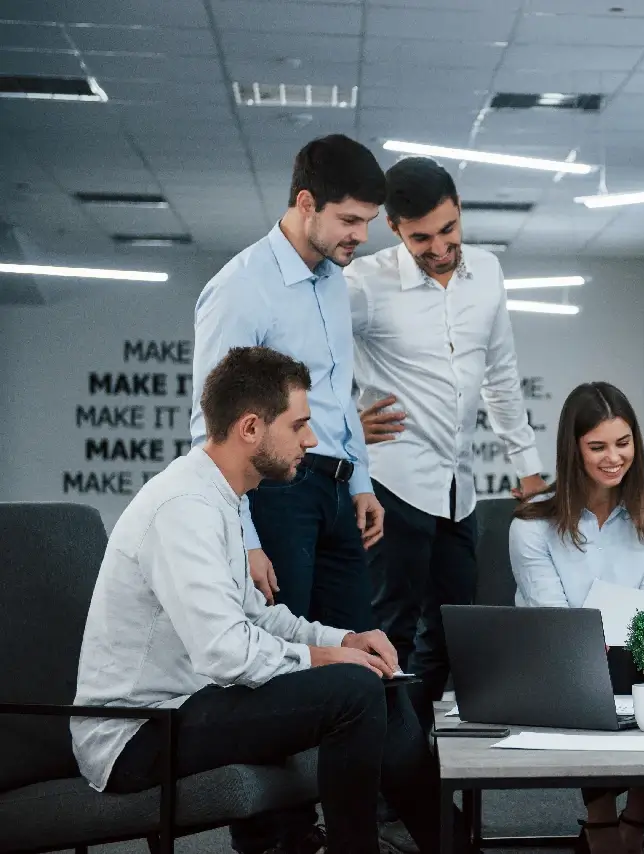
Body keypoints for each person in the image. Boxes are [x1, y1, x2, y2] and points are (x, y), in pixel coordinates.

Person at [71, 346, 456, 854]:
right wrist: (326, 658)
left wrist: (344, 640)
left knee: (379, 680)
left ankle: (453, 845)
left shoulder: (222, 497)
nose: (311, 440)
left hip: (188, 706)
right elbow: (225, 652)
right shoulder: (184, 507)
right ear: (251, 427)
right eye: (298, 425)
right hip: (137, 735)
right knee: (353, 689)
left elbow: (256, 617)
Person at [188, 134, 387, 853]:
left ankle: (341, 831)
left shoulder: (334, 280)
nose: (360, 237)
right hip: (273, 495)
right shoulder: (241, 287)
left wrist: (359, 481)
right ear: (306, 203)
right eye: (349, 220)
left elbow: (338, 393)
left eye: (368, 223)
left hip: (333, 492)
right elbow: (211, 427)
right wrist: (240, 537)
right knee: (273, 672)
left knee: (358, 662)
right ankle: (275, 839)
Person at [345, 156, 547, 708]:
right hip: (393, 483)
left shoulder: (488, 272)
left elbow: (500, 373)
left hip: (458, 490)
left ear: (459, 209)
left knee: (452, 631)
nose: (438, 248)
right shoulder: (363, 284)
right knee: (391, 630)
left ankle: (419, 751)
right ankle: (385, 759)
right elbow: (308, 359)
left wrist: (528, 468)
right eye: (421, 238)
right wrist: (342, 427)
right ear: (393, 228)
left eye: (448, 229)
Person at [509, 381, 644, 854]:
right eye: (597, 447)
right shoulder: (531, 526)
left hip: (628, 650)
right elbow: (555, 621)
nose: (614, 458)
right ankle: (600, 820)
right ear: (573, 450)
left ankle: (634, 819)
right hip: (559, 656)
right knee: (591, 661)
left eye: (623, 443)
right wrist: (615, 638)